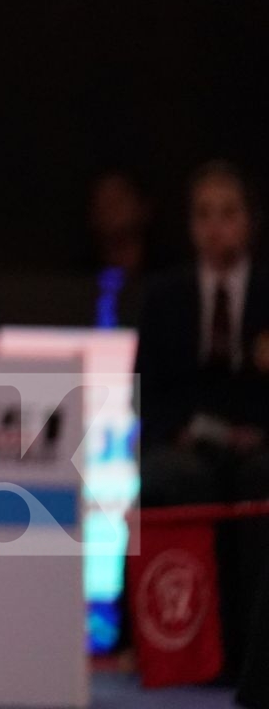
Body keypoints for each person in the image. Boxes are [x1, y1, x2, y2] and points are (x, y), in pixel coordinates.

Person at [134, 161, 269, 674]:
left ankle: (252, 651)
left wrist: (252, 434)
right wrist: (178, 431)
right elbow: (145, 386)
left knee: (262, 477)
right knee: (178, 477)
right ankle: (182, 646)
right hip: (183, 440)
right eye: (204, 215)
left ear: (249, 223)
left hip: (257, 443)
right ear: (191, 226)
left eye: (228, 214)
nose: (216, 228)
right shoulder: (164, 296)